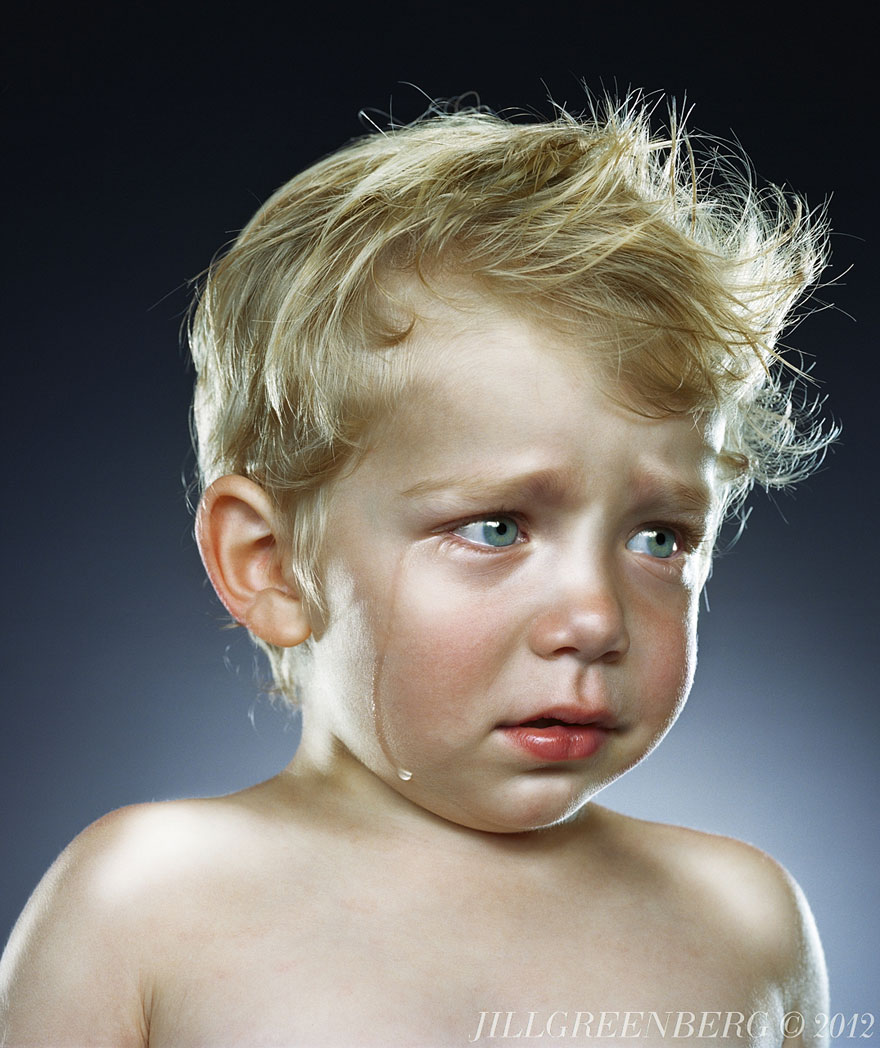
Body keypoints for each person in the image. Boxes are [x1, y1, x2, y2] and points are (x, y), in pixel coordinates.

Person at [0, 95, 834, 1046]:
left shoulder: (742, 922)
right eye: (496, 527)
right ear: (271, 564)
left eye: (660, 539)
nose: (597, 620)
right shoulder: (146, 903)